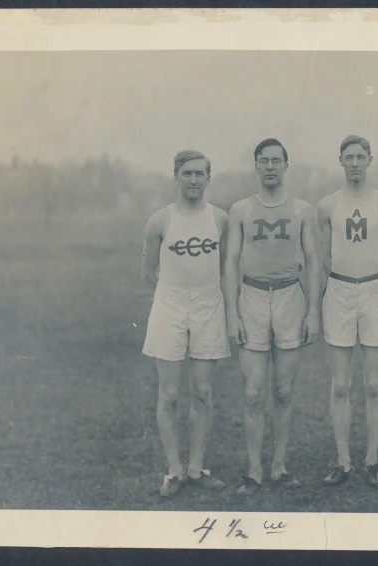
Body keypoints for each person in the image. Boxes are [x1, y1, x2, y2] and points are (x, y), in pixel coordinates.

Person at [224, 138, 321, 495]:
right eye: (263, 161)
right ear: (255, 166)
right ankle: (253, 469)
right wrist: (232, 314)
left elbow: (313, 262)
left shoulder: (301, 209)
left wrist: (313, 311)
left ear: (285, 166)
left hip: (289, 298)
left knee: (282, 390)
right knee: (252, 392)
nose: (269, 167)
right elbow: (230, 264)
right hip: (251, 298)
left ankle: (278, 466)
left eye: (276, 161)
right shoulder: (240, 210)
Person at [141, 150, 230, 497]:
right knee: (171, 393)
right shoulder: (160, 220)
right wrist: (171, 296)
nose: (194, 180)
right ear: (176, 177)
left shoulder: (219, 218)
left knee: (204, 393)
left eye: (200, 174)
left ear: (209, 178)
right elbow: (148, 271)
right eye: (187, 173)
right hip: (170, 304)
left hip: (209, 303)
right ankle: (174, 470)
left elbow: (224, 266)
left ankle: (196, 468)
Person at [317, 135, 378, 488]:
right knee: (339, 385)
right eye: (348, 157)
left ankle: (372, 460)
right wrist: (341, 282)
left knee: (373, 384)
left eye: (360, 156)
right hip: (338, 291)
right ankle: (343, 461)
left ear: (370, 159)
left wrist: (371, 281)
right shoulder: (326, 205)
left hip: (374, 291)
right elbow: (323, 255)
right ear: (340, 161)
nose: (354, 162)